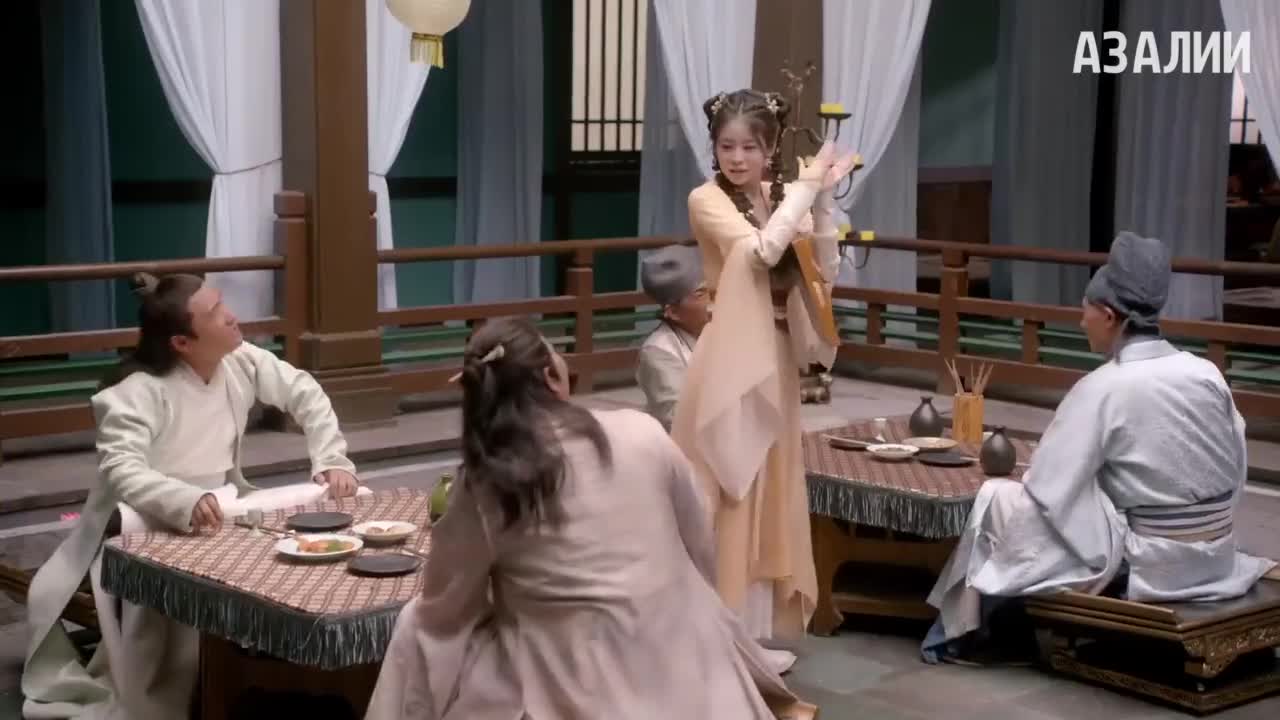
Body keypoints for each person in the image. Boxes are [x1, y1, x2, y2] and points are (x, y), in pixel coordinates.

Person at [365, 316, 818, 720]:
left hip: (570, 679)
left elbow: (447, 605)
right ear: (551, 377)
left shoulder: (487, 482)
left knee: (416, 623)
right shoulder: (642, 433)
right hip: (685, 662)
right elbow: (700, 546)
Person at [921, 232, 1279, 664]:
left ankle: (979, 631)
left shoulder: (1104, 386)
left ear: (1109, 316)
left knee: (999, 498)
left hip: (1149, 562)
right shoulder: (1206, 372)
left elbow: (1048, 486)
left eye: (1084, 310)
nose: (1080, 321)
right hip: (1217, 554)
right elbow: (1234, 467)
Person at [22, 273, 361, 719]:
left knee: (315, 536)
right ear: (182, 342)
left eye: (223, 304)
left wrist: (331, 458)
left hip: (224, 507)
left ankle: (304, 668)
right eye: (216, 312)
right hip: (145, 520)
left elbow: (304, 392)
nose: (232, 316)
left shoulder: (240, 360)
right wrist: (182, 501)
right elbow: (122, 469)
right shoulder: (133, 393)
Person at [669, 89, 859, 656]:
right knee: (731, 487)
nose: (737, 157)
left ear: (770, 149)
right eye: (727, 146)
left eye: (749, 147)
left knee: (769, 489)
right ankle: (713, 636)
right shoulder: (706, 199)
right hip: (730, 353)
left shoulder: (776, 197)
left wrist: (822, 200)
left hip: (774, 352)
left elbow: (823, 270)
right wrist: (806, 186)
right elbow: (760, 253)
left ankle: (750, 638)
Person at [636, 244, 711, 430]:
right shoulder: (658, 350)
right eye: (701, 293)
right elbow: (676, 418)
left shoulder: (719, 330)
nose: (713, 299)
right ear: (674, 312)